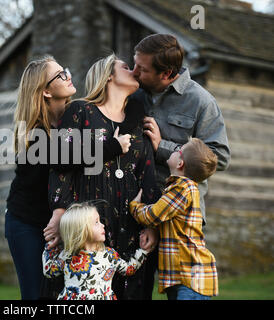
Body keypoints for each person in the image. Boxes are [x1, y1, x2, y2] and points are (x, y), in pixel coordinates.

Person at [5, 56, 131, 300]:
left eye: (66, 70)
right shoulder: (34, 132)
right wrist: (111, 147)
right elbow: (64, 160)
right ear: (45, 92)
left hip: (65, 224)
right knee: (36, 295)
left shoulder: (77, 116)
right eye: (60, 75)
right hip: (28, 223)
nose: (68, 75)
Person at [46, 54, 161, 300]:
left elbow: (147, 173)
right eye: (126, 67)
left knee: (133, 290)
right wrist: (59, 210)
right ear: (109, 75)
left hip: (130, 223)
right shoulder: (80, 110)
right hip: (89, 221)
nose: (135, 71)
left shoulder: (138, 121)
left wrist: (151, 222)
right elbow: (59, 163)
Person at [132, 34, 231, 224]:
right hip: (137, 207)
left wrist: (162, 146)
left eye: (142, 69)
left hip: (179, 217)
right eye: (135, 64)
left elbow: (220, 157)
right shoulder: (133, 92)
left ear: (166, 74)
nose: (134, 72)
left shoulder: (201, 101)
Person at [129, 138, 219, 300]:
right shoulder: (181, 188)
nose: (174, 150)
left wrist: (134, 205)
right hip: (183, 278)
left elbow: (152, 215)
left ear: (180, 164)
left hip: (190, 279)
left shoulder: (182, 189)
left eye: (178, 150)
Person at [42, 202, 150, 300]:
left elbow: (128, 269)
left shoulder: (109, 255)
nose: (103, 225)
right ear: (82, 229)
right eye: (96, 222)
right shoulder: (68, 255)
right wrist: (50, 246)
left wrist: (143, 251)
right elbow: (49, 271)